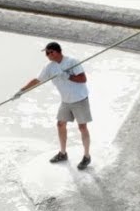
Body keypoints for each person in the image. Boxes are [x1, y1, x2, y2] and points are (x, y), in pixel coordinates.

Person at [14, 41, 91, 170]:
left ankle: (87, 156)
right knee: (60, 124)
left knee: (82, 127)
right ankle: (63, 153)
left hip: (79, 99)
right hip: (66, 100)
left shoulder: (72, 61)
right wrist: (22, 91)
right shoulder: (50, 67)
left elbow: (83, 79)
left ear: (55, 52)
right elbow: (37, 80)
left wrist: (68, 76)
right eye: (46, 53)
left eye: (49, 52)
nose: (47, 55)